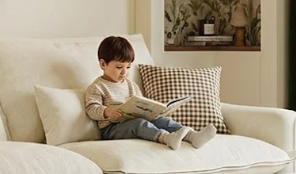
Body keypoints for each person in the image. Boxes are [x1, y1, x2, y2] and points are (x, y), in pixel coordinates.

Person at [84, 36, 216, 150]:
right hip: (112, 129)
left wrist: (153, 111)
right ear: (103, 64)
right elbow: (91, 108)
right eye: (119, 67)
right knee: (140, 124)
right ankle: (166, 138)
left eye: (128, 67)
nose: (124, 72)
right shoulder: (97, 87)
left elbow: (140, 103)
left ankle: (192, 136)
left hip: (133, 120)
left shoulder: (130, 85)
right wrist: (107, 111)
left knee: (162, 120)